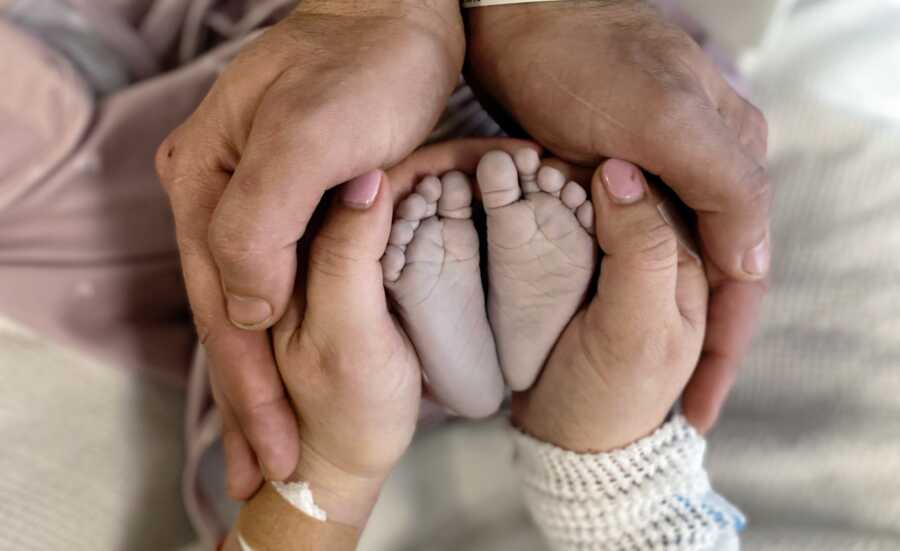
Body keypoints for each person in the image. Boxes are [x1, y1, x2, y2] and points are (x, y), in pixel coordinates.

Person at [155, 0, 771, 496]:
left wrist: (332, 469)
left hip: (355, 113)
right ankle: (556, 320)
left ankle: (403, 344)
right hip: (583, 108)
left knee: (309, 252)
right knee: (667, 182)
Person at [225, 142, 743, 550]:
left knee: (312, 302)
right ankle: (516, 342)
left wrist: (333, 463)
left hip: (519, 145)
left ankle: (423, 342)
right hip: (553, 148)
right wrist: (604, 457)